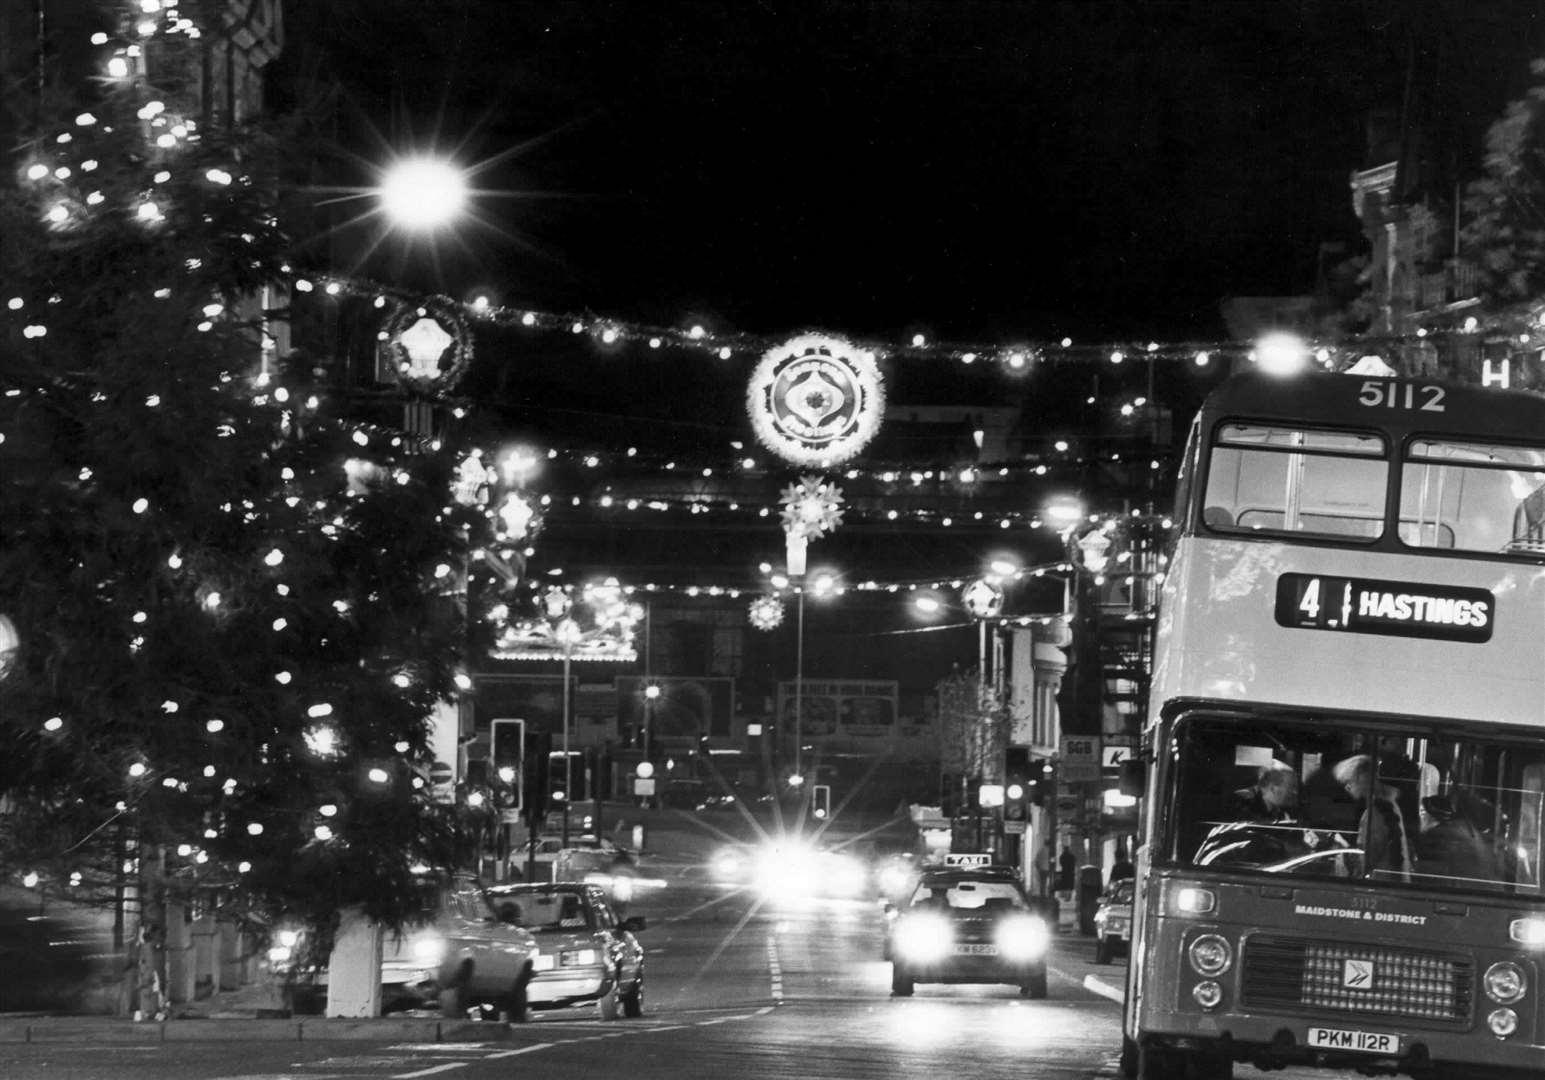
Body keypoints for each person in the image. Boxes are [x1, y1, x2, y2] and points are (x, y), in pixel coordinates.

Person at [1333, 753, 1415, 880]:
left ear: (1363, 778)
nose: (1347, 787)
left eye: (1349, 780)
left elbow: (1366, 859)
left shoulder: (1374, 813)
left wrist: (1342, 848)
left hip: (1380, 885)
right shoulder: (1388, 804)